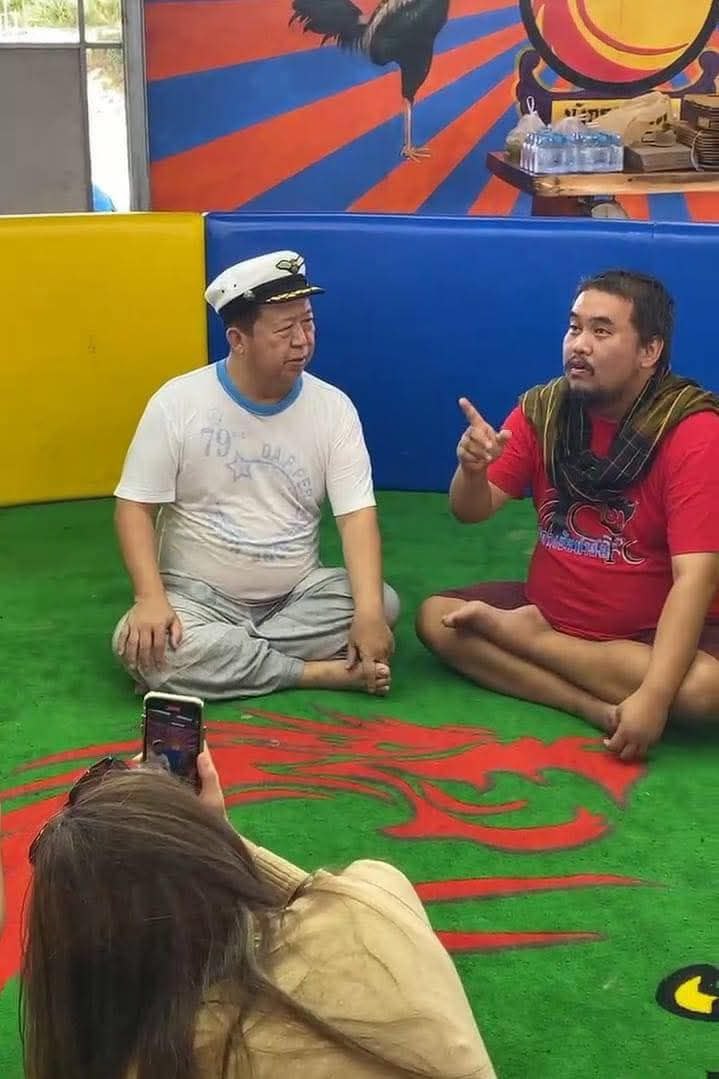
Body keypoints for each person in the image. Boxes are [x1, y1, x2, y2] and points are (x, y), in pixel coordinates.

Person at [20, 748, 497, 1079]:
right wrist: (210, 835)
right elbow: (324, 895)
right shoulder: (377, 897)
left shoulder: (161, 1060)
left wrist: (201, 835)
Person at [416, 270, 719, 762]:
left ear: (649, 351)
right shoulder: (544, 409)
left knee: (705, 690)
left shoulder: (694, 432)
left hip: (646, 636)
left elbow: (696, 578)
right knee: (436, 620)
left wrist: (656, 695)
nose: (579, 345)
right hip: (551, 610)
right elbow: (471, 511)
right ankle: (585, 703)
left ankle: (531, 643)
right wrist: (471, 470)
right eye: (574, 327)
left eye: (601, 331)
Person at [112, 251, 398, 700]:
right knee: (138, 640)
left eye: (308, 323)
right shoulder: (177, 403)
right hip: (197, 598)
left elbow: (355, 517)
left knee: (380, 602)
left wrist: (368, 615)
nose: (302, 341)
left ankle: (222, 661)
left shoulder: (334, 408)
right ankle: (313, 672)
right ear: (238, 339)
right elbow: (134, 507)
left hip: (296, 597)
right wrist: (150, 598)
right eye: (284, 331)